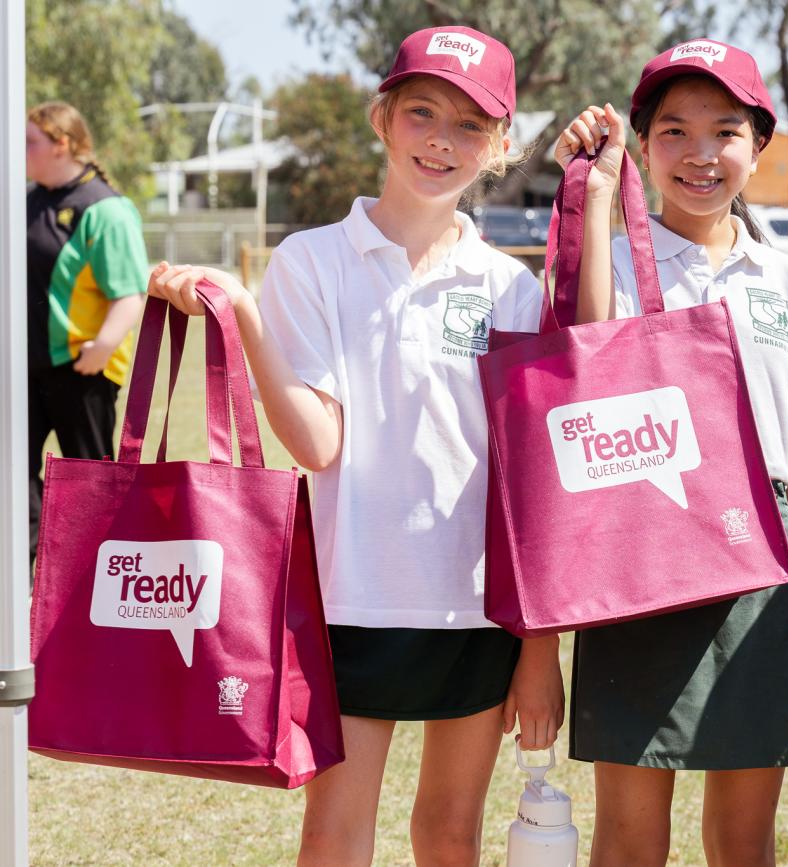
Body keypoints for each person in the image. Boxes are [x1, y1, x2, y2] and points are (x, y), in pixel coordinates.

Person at [148, 26, 562, 866]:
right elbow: (318, 442)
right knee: (334, 837)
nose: (441, 140)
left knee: (450, 836)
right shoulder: (312, 262)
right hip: (352, 597)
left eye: (470, 125)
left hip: (478, 609)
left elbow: (528, 487)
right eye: (421, 113)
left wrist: (540, 649)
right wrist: (251, 318)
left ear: (503, 147)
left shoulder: (511, 289)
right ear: (381, 118)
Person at [552, 39, 788, 867]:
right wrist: (599, 192)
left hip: (764, 571)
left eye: (724, 130)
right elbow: (576, 366)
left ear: (759, 147)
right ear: (643, 147)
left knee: (744, 839)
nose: (699, 154)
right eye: (673, 131)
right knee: (629, 837)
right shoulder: (607, 263)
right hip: (639, 563)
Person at [26, 101, 148, 566]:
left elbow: (130, 293)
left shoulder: (105, 210)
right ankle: (29, 578)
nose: (22, 151)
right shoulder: (25, 201)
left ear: (63, 144)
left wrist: (100, 349)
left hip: (83, 369)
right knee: (16, 476)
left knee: (92, 479)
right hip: (29, 368)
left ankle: (99, 580)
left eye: (31, 142)